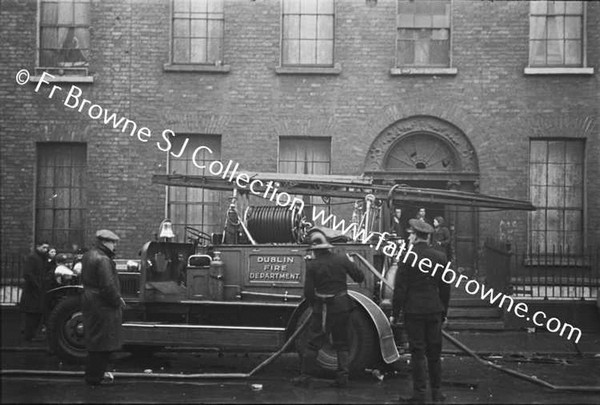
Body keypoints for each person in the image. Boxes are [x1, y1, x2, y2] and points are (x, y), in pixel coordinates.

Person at [292, 229, 365, 388]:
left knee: (313, 343)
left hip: (322, 309)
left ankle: (305, 377)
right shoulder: (341, 259)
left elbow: (308, 292)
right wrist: (349, 263)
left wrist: (315, 306)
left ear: (315, 250)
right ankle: (342, 379)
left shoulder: (312, 265)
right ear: (328, 247)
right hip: (342, 307)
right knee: (342, 343)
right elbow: (360, 277)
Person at [394, 219, 450, 404]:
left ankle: (419, 394)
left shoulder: (407, 257)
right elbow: (445, 288)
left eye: (410, 234)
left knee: (418, 352)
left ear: (416, 236)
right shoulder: (440, 257)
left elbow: (400, 289)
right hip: (434, 309)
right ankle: (437, 393)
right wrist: (444, 312)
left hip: (414, 310)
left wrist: (395, 312)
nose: (409, 236)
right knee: (434, 353)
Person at [81, 230, 126, 386]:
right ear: (106, 242)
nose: (115, 246)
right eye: (113, 243)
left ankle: (93, 376)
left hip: (91, 300)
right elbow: (107, 285)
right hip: (102, 304)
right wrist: (117, 301)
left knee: (95, 341)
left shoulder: (89, 255)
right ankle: (94, 378)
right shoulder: (103, 260)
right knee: (102, 343)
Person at [19, 241, 50, 342]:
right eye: (44, 247)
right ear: (38, 247)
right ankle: (29, 336)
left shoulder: (41, 258)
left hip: (38, 290)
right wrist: (37, 285)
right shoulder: (33, 257)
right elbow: (28, 274)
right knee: (32, 314)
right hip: (32, 291)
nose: (46, 250)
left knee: (37, 314)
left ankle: (32, 334)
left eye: (47, 248)